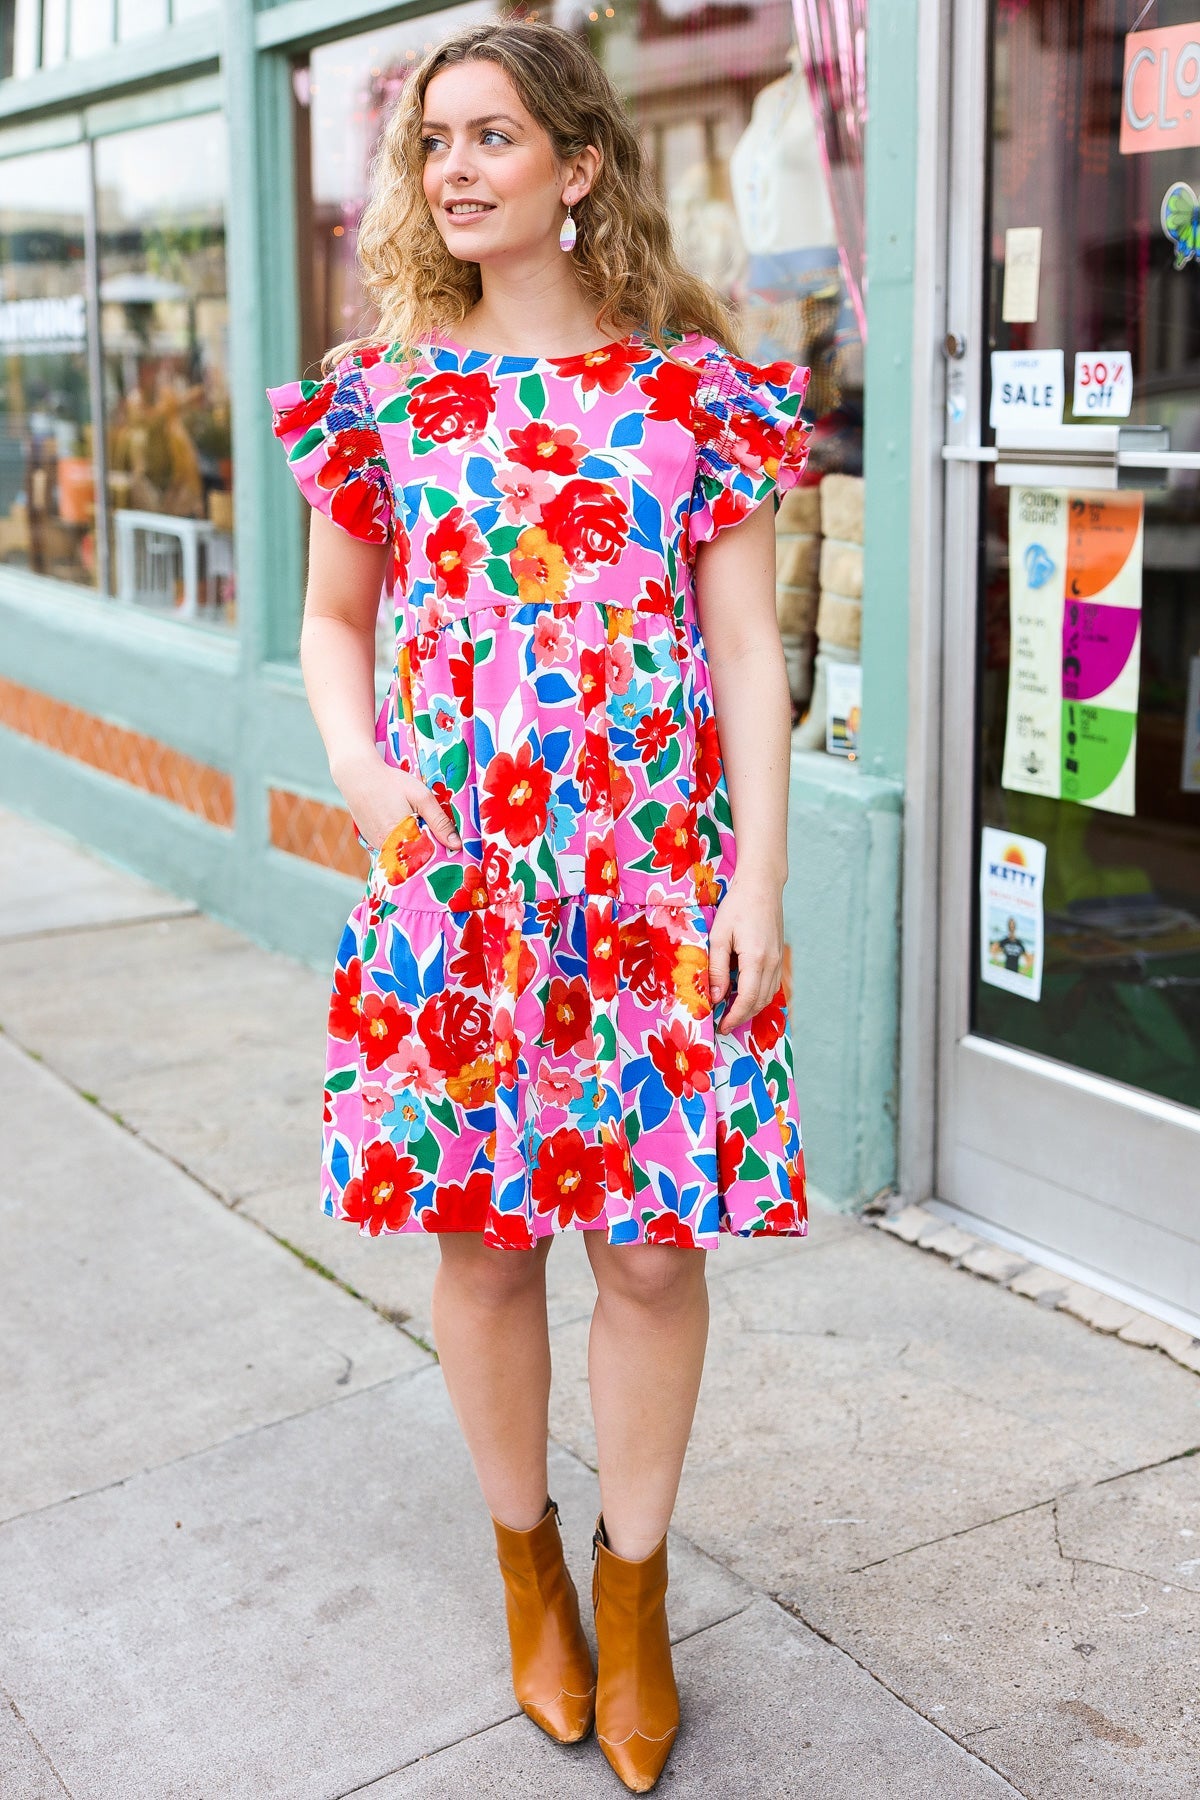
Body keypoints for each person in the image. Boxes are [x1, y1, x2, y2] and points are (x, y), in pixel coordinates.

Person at [267, 21, 810, 1792]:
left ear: (579, 165)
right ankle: (528, 1574)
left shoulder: (690, 400)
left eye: (494, 136)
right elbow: (333, 624)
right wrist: (360, 771)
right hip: (462, 888)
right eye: (435, 143)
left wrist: (762, 886)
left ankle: (635, 1593)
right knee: (487, 1245)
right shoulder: (389, 398)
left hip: (649, 890)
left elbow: (745, 648)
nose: (455, 169)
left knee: (651, 1250)